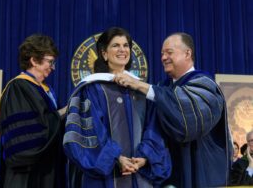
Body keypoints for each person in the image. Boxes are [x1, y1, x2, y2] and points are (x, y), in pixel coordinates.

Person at [114, 32, 233, 188]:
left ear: (187, 53)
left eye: (169, 52)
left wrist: (139, 85)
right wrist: (147, 156)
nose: (163, 58)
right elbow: (154, 129)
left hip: (203, 174)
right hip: (170, 177)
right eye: (162, 54)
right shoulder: (163, 88)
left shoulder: (205, 85)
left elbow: (185, 123)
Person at [63, 27, 171, 188]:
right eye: (115, 45)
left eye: (126, 45)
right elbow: (89, 132)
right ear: (104, 54)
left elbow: (153, 127)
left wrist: (145, 157)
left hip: (139, 175)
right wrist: (116, 158)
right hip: (104, 177)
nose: (122, 50)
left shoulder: (140, 89)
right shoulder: (91, 89)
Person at [0, 34, 66, 188]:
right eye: (50, 62)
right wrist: (63, 112)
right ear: (34, 60)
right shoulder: (19, 87)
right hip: (25, 175)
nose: (53, 68)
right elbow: (25, 140)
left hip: (44, 170)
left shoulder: (44, 90)